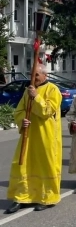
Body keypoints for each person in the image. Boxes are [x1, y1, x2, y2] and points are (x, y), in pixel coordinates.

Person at [6, 64, 62, 214]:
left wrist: (36, 96)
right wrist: (22, 119)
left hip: (46, 136)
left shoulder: (53, 90)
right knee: (23, 165)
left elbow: (47, 111)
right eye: (32, 75)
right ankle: (22, 197)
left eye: (36, 75)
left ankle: (47, 197)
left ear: (45, 75)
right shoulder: (28, 91)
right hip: (29, 135)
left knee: (45, 166)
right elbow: (19, 110)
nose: (33, 78)